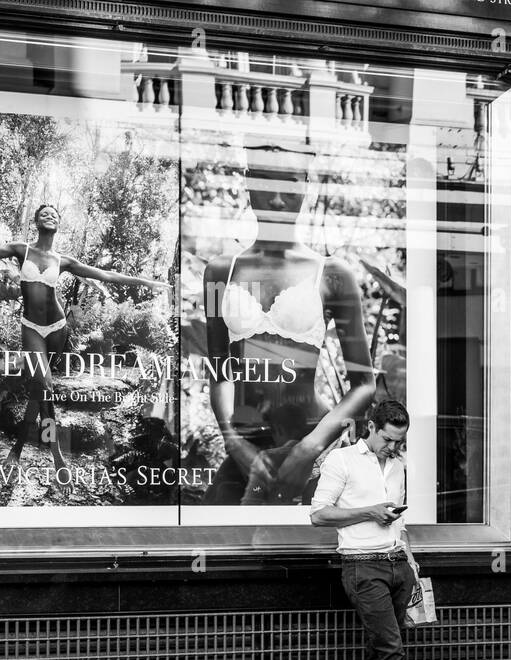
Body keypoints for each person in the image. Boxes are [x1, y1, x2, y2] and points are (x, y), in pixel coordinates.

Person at [204, 143, 374, 505]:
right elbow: (219, 372)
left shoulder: (333, 274)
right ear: (248, 183)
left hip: (314, 446)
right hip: (246, 446)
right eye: (266, 183)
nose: (278, 200)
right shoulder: (220, 271)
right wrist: (232, 442)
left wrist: (309, 449)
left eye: (290, 185)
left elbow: (364, 384)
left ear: (306, 186)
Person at [310, 399, 457, 660]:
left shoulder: (397, 467)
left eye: (399, 441)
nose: (393, 447)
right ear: (371, 428)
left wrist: (409, 559)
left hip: (396, 565)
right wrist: (368, 511)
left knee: (378, 655)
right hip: (361, 568)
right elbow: (318, 514)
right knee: (391, 650)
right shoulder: (341, 461)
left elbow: (398, 522)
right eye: (388, 440)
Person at [1, 204, 167, 471]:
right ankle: (57, 457)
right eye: (44, 213)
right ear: (36, 220)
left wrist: (145, 283)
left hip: (57, 329)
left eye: (54, 214)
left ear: (58, 223)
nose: (50, 216)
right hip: (31, 328)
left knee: (38, 392)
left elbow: (105, 274)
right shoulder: (22, 249)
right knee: (45, 387)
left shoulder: (63, 260)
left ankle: (17, 451)